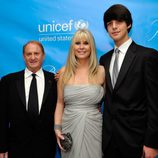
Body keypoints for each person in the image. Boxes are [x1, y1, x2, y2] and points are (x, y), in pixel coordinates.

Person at [100, 4, 158, 158]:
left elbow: (155, 103)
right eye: (109, 24)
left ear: (129, 24)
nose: (114, 27)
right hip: (109, 141)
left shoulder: (147, 56)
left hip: (136, 141)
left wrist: (152, 143)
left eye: (118, 22)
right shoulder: (104, 59)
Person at [0, 41, 57, 158]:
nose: (33, 57)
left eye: (36, 53)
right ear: (23, 56)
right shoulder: (8, 81)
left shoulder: (56, 81)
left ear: (43, 55)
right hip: (16, 149)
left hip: (46, 149)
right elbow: (2, 117)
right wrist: (2, 147)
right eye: (28, 54)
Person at [54, 29, 105, 158]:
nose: (81, 47)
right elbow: (60, 103)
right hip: (69, 126)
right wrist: (57, 128)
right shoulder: (64, 72)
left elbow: (109, 101)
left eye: (86, 43)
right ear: (72, 47)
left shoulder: (102, 71)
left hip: (94, 127)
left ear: (91, 46)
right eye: (77, 43)